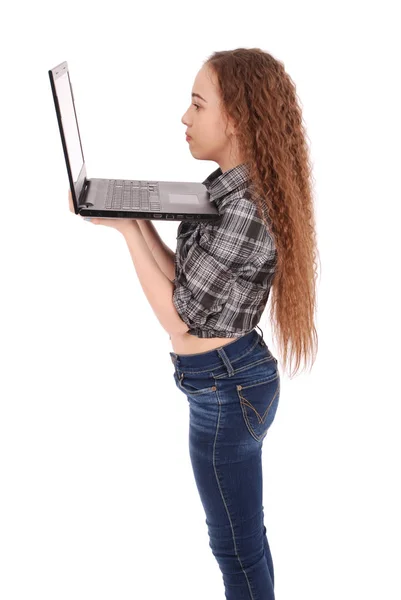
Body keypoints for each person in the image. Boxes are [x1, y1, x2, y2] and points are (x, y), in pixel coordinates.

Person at [71, 47, 319, 599]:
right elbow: (189, 289)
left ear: (233, 121)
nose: (185, 117)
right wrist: (126, 219)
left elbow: (180, 318)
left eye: (197, 104)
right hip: (229, 381)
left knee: (235, 550)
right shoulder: (226, 190)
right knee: (244, 542)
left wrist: (129, 230)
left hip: (228, 389)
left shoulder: (246, 210)